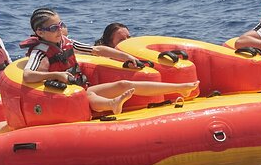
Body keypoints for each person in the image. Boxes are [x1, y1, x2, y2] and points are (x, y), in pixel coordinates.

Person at [21, 8, 200, 115]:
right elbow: (28, 75)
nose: (59, 30)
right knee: (89, 96)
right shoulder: (40, 52)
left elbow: (97, 50)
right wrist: (57, 74)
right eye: (53, 28)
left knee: (124, 83)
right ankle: (111, 104)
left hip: (81, 89)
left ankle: (180, 88)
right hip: (65, 99)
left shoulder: (66, 43)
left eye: (60, 25)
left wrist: (127, 57)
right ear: (40, 32)